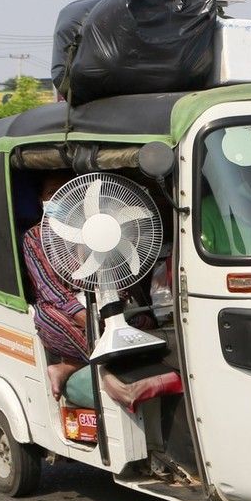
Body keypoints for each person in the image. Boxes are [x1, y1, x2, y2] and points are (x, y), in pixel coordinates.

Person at [21, 171, 157, 410]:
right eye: (52, 192)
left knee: (145, 323)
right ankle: (109, 363)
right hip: (62, 309)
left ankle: (69, 367)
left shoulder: (100, 229)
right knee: (63, 323)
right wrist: (86, 318)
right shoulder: (35, 237)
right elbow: (50, 290)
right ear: (40, 200)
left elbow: (117, 275)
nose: (61, 197)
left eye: (67, 190)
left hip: (103, 302)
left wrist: (112, 313)